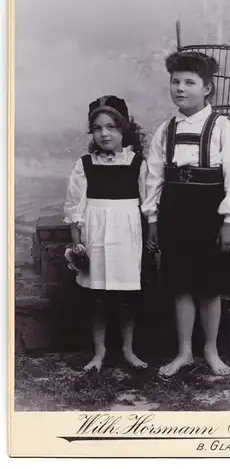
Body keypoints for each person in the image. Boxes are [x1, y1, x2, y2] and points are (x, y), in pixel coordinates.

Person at [141, 51, 230, 376]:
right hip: (175, 213)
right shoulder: (165, 131)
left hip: (208, 214)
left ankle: (211, 351)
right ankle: (184, 353)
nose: (180, 88)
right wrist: (152, 220)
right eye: (175, 81)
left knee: (209, 286)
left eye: (189, 82)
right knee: (180, 285)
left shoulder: (222, 128)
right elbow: (153, 178)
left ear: (207, 88)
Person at [64, 95, 148, 372]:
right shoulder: (85, 164)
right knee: (97, 296)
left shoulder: (137, 163)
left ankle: (128, 349)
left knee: (127, 296)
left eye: (111, 127)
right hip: (96, 232)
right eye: (98, 128)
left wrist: (153, 236)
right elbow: (75, 206)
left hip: (127, 233)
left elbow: (148, 204)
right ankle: (99, 352)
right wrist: (78, 244)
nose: (104, 133)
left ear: (123, 129)